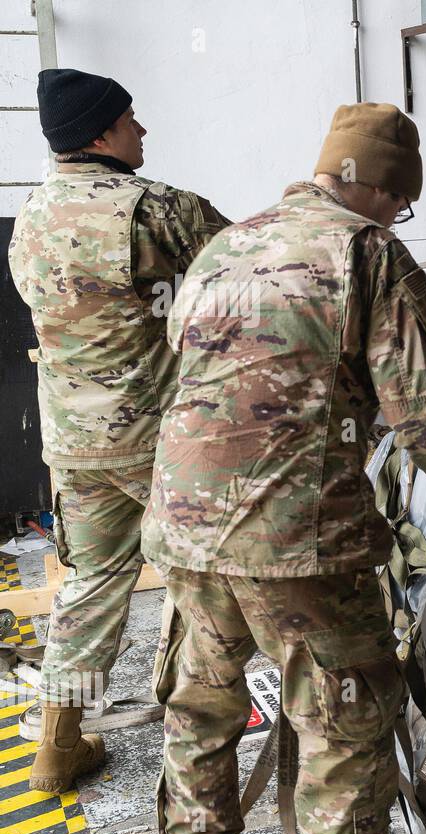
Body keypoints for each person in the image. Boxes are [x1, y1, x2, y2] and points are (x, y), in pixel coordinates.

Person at [140, 102, 426, 834]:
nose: (406, 214)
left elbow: (186, 377)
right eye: (405, 199)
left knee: (202, 704)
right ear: (381, 186)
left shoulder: (223, 246)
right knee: (344, 720)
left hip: (181, 524)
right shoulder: (370, 254)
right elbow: (423, 419)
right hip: (298, 542)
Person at [6, 68, 229, 794]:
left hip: (73, 440)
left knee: (93, 584)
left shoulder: (33, 214)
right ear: (102, 132)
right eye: (132, 119)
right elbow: (253, 275)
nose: (143, 131)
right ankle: (199, 757)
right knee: (209, 583)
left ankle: (59, 746)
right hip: (162, 440)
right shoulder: (160, 209)